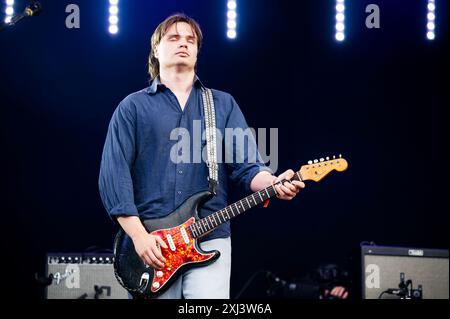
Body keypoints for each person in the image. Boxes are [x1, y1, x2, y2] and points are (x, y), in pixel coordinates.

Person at [98, 13, 304, 299]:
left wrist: (273, 182)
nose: (183, 43)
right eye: (174, 38)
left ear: (197, 52)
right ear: (156, 49)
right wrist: (138, 236)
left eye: (190, 40)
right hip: (153, 245)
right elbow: (114, 176)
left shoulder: (221, 104)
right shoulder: (132, 107)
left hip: (211, 238)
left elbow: (248, 167)